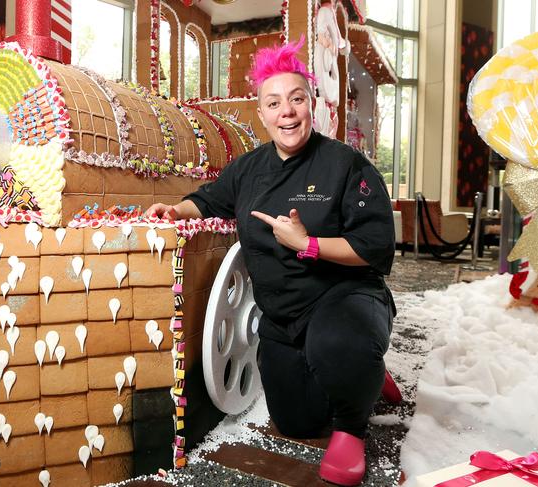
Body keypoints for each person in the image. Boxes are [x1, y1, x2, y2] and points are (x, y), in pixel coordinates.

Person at [146, 37, 400, 487]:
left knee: (339, 344)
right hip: (282, 317)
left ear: (311, 104)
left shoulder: (346, 165)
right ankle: (364, 373)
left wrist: (309, 244)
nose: (287, 111)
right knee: (297, 421)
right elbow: (207, 201)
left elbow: (376, 248)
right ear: (262, 114)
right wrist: (176, 211)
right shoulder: (247, 170)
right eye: (274, 102)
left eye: (296, 99)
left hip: (344, 295)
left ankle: (352, 423)